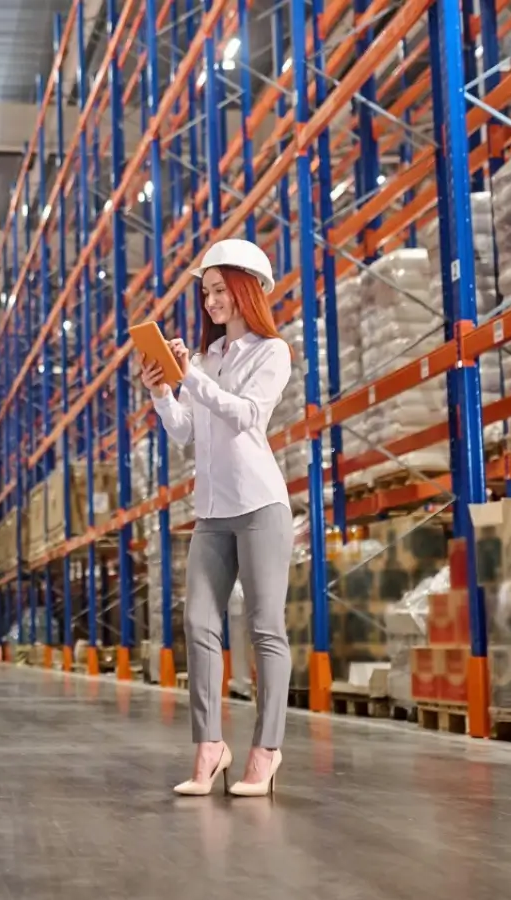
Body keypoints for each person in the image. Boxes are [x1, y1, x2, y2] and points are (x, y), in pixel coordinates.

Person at [139, 238, 292, 798]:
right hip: (212, 512)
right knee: (199, 623)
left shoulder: (272, 353)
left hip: (260, 507)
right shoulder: (205, 359)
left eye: (220, 290)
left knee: (265, 628)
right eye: (206, 292)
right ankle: (210, 747)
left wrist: (192, 378)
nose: (211, 301)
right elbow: (186, 431)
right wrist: (163, 392)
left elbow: (246, 416)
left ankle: (266, 751)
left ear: (248, 290)